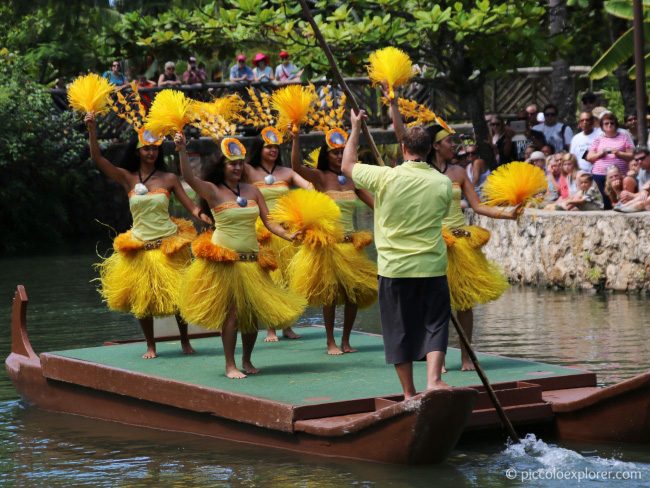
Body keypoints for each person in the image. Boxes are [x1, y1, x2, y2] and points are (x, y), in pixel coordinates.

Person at [389, 91, 520, 372]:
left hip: (460, 242)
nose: (454, 145)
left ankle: (465, 356)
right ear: (435, 146)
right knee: (434, 304)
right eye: (449, 141)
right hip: (432, 242)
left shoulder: (459, 173)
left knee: (464, 302)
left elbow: (478, 206)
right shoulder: (418, 170)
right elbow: (403, 137)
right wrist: (392, 104)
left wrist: (507, 213)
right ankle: (436, 356)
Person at [342, 110, 452, 398]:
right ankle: (434, 381)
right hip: (431, 266)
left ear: (404, 149)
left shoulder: (385, 178)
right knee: (435, 324)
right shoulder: (443, 183)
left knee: (398, 329)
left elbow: (347, 165)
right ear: (429, 150)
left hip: (394, 269)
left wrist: (355, 128)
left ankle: (408, 393)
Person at [177, 135, 306, 378]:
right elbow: (190, 178)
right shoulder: (213, 191)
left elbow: (268, 221)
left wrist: (287, 235)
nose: (236, 168)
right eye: (231, 164)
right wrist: (182, 150)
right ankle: (229, 365)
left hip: (252, 260)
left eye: (239, 164)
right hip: (226, 262)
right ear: (222, 166)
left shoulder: (253, 191)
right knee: (233, 315)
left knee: (252, 315)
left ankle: (247, 360)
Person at [84, 113, 210, 359]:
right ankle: (151, 345)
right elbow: (97, 158)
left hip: (168, 244)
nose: (151, 153)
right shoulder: (127, 177)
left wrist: (202, 215)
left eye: (155, 149)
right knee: (142, 300)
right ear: (138, 151)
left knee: (178, 296)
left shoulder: (169, 178)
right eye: (146, 149)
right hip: (140, 245)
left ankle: (185, 341)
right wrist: (91, 130)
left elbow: (190, 206)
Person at [290, 127, 377, 355]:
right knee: (329, 294)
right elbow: (296, 167)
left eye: (342, 152)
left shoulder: (351, 180)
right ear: (326, 155)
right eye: (334, 153)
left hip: (351, 245)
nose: (339, 156)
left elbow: (376, 204)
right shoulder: (320, 177)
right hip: (330, 246)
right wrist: (296, 139)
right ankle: (330, 341)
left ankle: (346, 340)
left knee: (354, 293)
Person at [243, 127, 312, 342]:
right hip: (262, 232)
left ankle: (287, 325)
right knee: (271, 279)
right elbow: (228, 165)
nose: (273, 150)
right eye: (268, 146)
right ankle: (271, 327)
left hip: (286, 232)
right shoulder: (249, 171)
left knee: (289, 277)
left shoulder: (286, 172)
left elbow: (308, 185)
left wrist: (311, 198)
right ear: (259, 148)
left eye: (275, 147)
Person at [586, 112, 634, 209]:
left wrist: (619, 154)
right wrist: (601, 153)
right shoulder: (598, 138)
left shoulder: (624, 136)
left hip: (619, 175)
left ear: (616, 124)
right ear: (602, 126)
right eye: (606, 123)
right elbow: (589, 157)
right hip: (600, 174)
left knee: (619, 199)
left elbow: (632, 156)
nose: (609, 125)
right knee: (605, 203)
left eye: (612, 123)